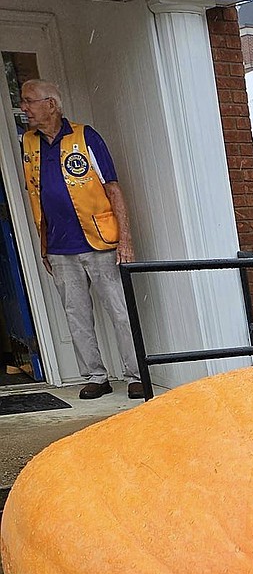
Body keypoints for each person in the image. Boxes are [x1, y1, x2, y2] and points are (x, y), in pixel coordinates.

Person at [20, 79, 142, 399]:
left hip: (99, 241)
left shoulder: (86, 137)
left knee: (119, 309)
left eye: (29, 101)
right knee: (76, 315)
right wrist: (44, 245)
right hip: (60, 247)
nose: (24, 107)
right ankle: (96, 375)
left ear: (51, 104)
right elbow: (36, 196)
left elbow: (112, 188)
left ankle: (134, 373)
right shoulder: (29, 144)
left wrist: (125, 240)